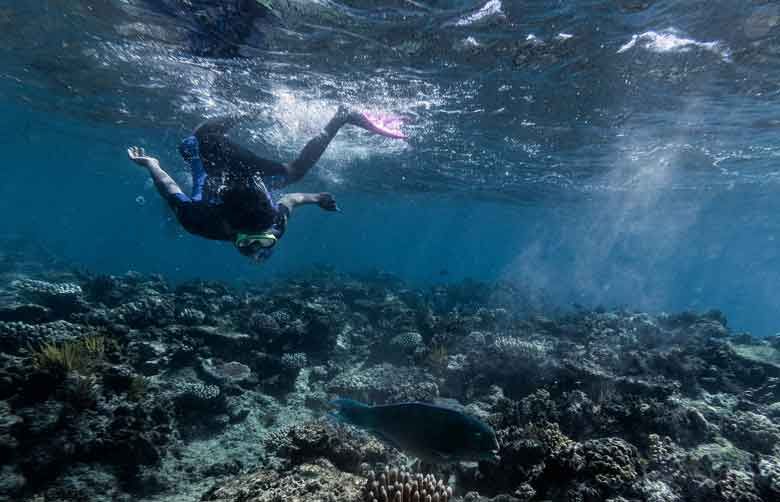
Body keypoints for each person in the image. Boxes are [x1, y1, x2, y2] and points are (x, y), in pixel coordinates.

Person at [127, 106, 404, 261]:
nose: (258, 247)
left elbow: (169, 189)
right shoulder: (273, 224)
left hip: (215, 162)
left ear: (227, 226)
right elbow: (290, 199)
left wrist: (151, 164)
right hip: (253, 179)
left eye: (251, 242)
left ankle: (253, 109)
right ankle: (343, 116)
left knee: (197, 139)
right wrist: (317, 198)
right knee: (295, 172)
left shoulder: (198, 221)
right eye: (266, 241)